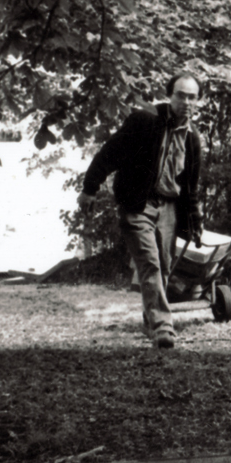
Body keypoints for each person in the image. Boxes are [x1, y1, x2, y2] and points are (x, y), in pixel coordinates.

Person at [77, 75, 204, 349]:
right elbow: (110, 153)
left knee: (165, 266)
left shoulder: (193, 140)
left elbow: (191, 188)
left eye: (192, 97)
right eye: (181, 95)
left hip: (169, 208)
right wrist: (90, 188)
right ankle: (163, 328)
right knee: (150, 263)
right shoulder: (145, 120)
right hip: (138, 204)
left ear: (198, 101)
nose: (186, 102)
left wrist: (195, 221)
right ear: (169, 95)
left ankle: (150, 321)